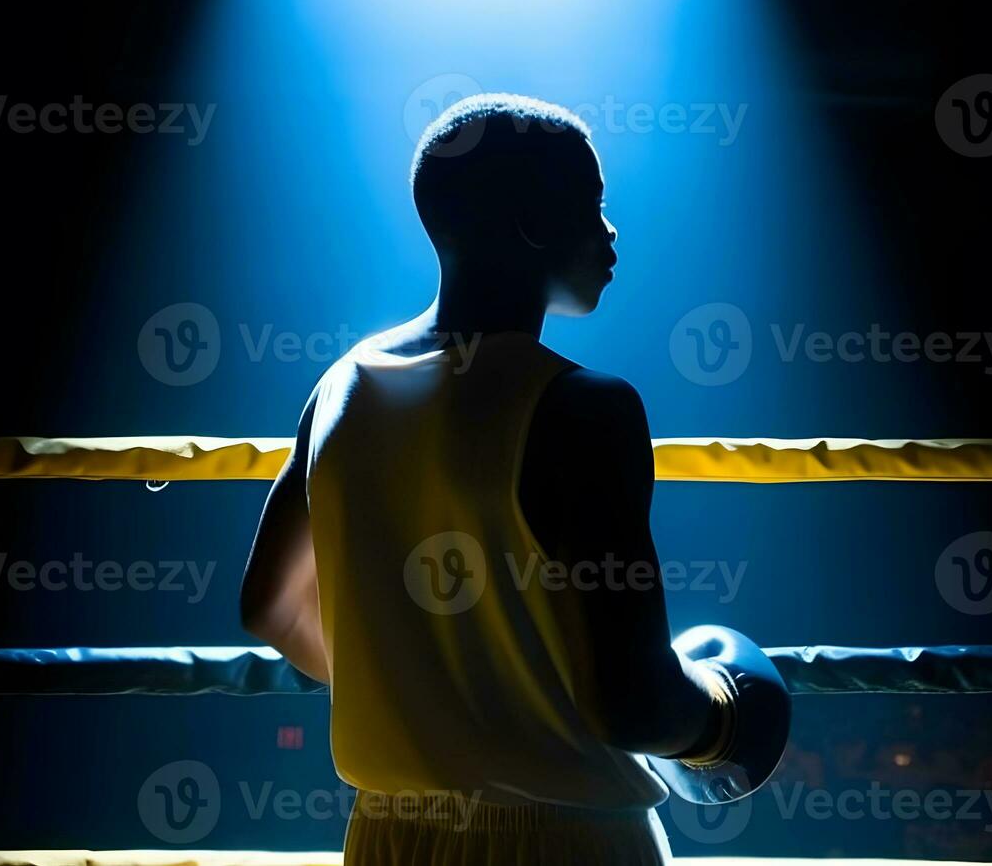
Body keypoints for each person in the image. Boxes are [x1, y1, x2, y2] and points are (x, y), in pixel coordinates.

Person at [240, 94, 731, 864]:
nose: (610, 232)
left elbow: (268, 609)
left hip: (385, 836)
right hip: (566, 840)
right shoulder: (585, 408)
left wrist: (426, 699)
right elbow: (635, 706)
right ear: (534, 222)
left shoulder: (340, 386)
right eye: (593, 204)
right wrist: (727, 709)